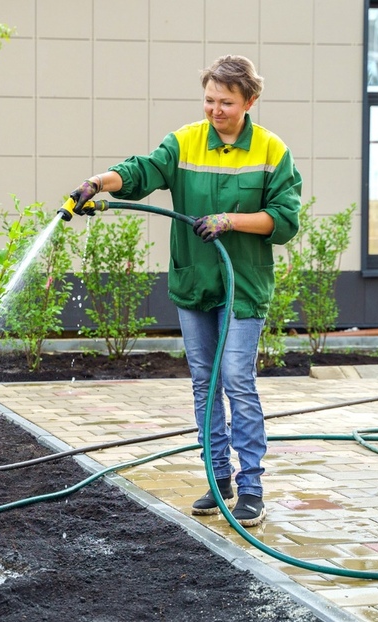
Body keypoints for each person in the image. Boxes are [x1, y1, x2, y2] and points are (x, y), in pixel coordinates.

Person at [70, 55, 302, 527]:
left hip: (242, 286)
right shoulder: (185, 141)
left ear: (249, 101)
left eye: (226, 102)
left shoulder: (272, 151)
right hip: (196, 282)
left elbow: (285, 220)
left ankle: (252, 488)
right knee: (205, 383)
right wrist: (98, 182)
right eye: (209, 100)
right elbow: (141, 172)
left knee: (236, 379)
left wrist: (230, 221)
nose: (215, 110)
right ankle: (219, 481)